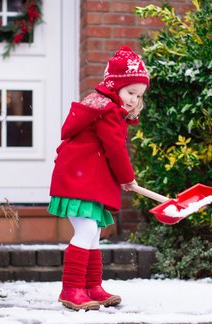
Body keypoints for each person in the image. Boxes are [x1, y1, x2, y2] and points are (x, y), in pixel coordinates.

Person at [47, 45, 150, 311]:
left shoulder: (101, 106)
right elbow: (116, 149)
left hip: (83, 181)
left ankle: (92, 287)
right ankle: (71, 288)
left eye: (139, 96)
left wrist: (123, 179)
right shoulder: (108, 112)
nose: (133, 100)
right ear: (114, 87)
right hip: (77, 182)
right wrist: (127, 177)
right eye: (130, 93)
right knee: (87, 230)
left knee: (94, 234)